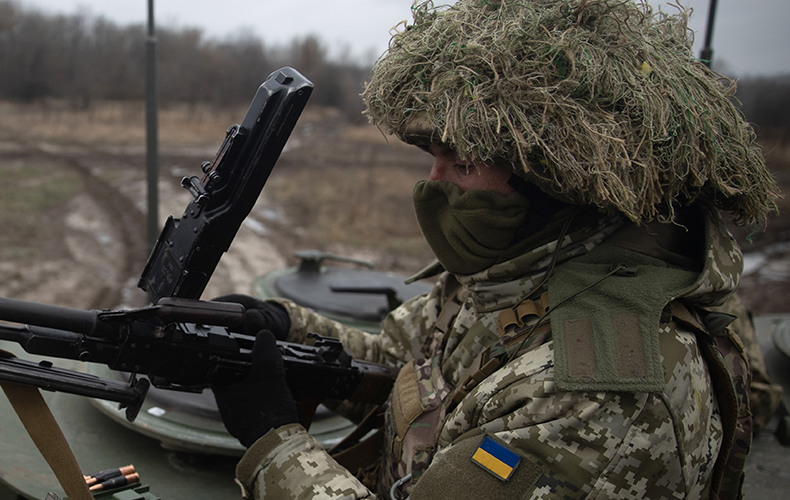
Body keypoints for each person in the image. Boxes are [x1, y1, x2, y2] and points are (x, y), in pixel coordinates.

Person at [209, 1, 783, 499]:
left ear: (557, 182)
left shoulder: (598, 391)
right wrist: (289, 329)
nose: (434, 183)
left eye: (462, 161)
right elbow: (403, 365)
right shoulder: (510, 272)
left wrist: (273, 440)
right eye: (431, 154)